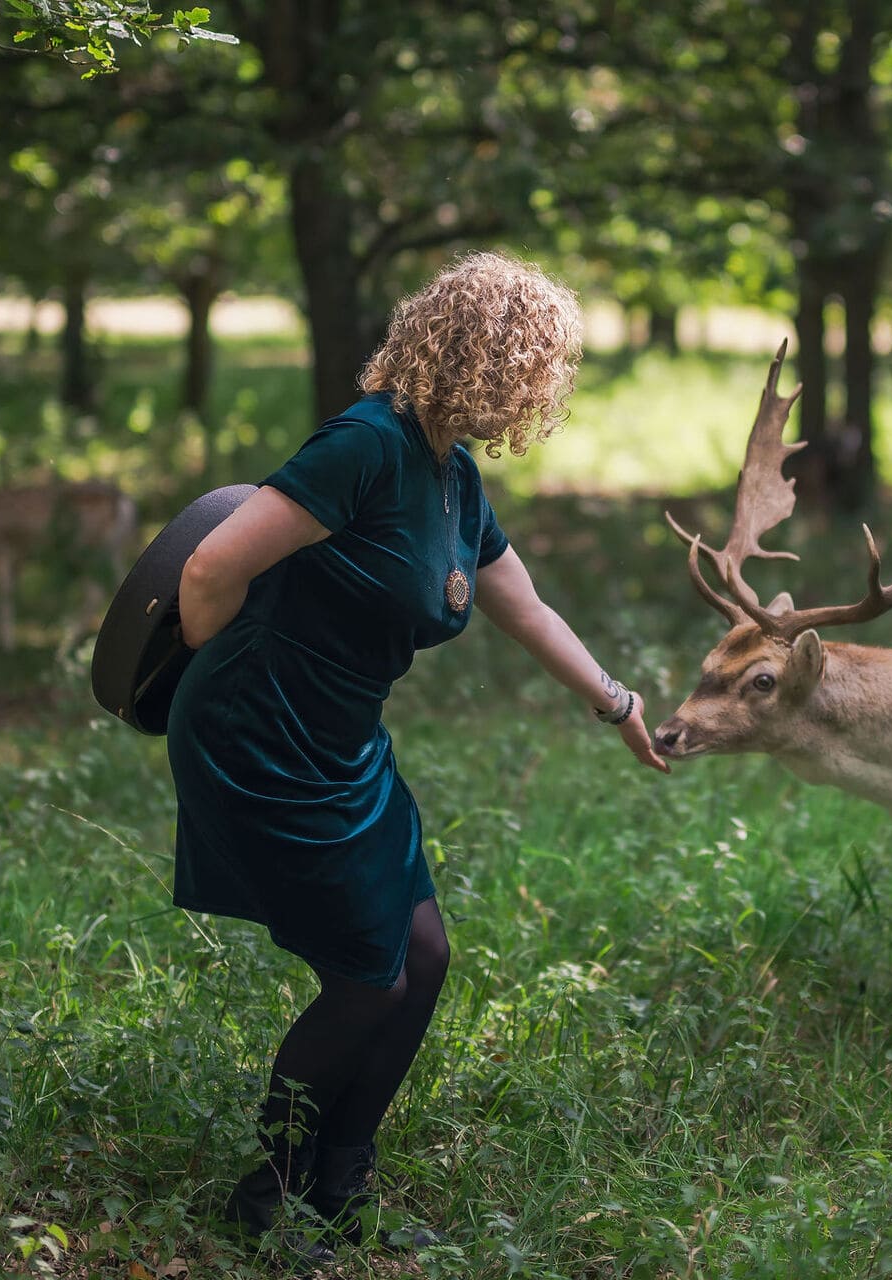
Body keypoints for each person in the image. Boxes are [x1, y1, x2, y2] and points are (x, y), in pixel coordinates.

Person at [167, 251, 666, 1259]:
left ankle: (341, 1181)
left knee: (422, 956)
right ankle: (267, 1195)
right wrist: (220, 676)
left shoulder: (451, 471)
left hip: (346, 744)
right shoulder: (363, 445)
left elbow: (522, 605)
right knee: (366, 977)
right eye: (538, 364)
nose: (543, 388)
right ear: (492, 358)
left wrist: (616, 702)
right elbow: (213, 563)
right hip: (264, 742)